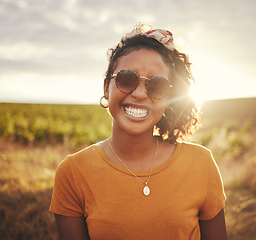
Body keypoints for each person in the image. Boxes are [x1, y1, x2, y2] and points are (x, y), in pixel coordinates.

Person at [49, 23, 227, 240]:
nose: (140, 94)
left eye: (157, 85)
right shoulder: (73, 173)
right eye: (126, 79)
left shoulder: (201, 163)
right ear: (107, 87)